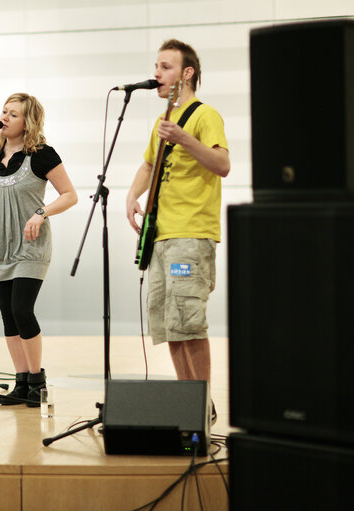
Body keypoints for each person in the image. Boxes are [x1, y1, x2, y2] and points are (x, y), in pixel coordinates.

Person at [125, 40, 230, 423]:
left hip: (191, 233)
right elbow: (147, 165)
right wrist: (131, 196)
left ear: (187, 73)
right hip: (161, 236)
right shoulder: (159, 123)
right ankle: (189, 401)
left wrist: (184, 138)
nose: (157, 73)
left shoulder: (205, 115)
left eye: (166, 66)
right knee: (170, 324)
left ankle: (201, 404)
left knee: (188, 320)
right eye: (156, 66)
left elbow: (222, 163)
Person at [0, 93, 78, 406]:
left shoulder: (43, 154)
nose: (5, 118)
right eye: (4, 112)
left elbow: (70, 195)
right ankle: (20, 382)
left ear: (27, 122)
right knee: (8, 316)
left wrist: (42, 212)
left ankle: (36, 380)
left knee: (22, 309)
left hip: (31, 245)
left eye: (13, 114)